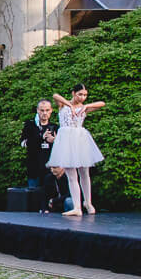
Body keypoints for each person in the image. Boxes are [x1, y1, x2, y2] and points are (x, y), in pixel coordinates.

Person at [50, 86, 107, 218]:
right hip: (66, 141)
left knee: (84, 173)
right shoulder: (63, 105)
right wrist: (70, 105)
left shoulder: (83, 107)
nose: (82, 97)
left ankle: (88, 203)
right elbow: (55, 95)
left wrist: (86, 106)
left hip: (80, 140)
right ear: (73, 93)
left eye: (85, 95)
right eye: (80, 94)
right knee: (71, 175)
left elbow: (102, 103)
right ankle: (77, 207)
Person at [20, 100, 67, 212]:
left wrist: (55, 140)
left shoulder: (55, 127)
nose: (44, 113)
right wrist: (41, 137)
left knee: (48, 196)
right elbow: (24, 143)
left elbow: (63, 147)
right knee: (34, 199)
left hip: (50, 169)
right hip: (34, 168)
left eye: (47, 110)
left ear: (51, 111)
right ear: (37, 111)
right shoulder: (30, 126)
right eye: (42, 110)